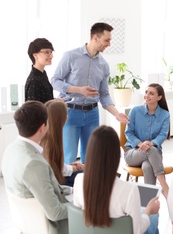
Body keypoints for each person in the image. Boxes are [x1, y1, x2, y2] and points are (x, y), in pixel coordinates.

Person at [51, 22, 129, 164]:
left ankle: (87, 186)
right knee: (70, 158)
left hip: (92, 114)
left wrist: (117, 114)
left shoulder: (104, 65)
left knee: (90, 158)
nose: (109, 44)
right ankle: (71, 186)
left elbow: (104, 94)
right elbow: (55, 80)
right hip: (70, 112)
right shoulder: (70, 56)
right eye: (107, 40)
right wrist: (79, 90)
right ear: (95, 38)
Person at [73, 125, 160, 234]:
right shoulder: (129, 189)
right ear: (115, 156)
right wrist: (149, 210)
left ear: (90, 153)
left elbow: (79, 216)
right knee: (153, 216)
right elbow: (137, 230)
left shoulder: (79, 180)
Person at [1, 101, 69, 234]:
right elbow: (55, 213)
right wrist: (85, 206)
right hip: (54, 227)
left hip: (28, 223)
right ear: (43, 127)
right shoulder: (34, 164)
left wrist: (73, 191)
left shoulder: (10, 149)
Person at [124, 83, 170, 198]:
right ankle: (165, 187)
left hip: (154, 154)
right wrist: (140, 144)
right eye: (146, 92)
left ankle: (149, 203)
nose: (147, 95)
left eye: (151, 93)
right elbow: (128, 132)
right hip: (133, 153)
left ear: (159, 97)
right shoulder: (135, 111)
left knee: (147, 167)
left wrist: (151, 143)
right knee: (150, 150)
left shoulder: (165, 115)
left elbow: (163, 134)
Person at [40, 99, 83, 187]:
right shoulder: (48, 142)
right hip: (54, 182)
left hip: (54, 178)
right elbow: (59, 171)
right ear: (64, 118)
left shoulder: (45, 136)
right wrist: (79, 167)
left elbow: (57, 167)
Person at [25, 38, 55, 103]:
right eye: (47, 52)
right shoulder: (34, 80)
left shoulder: (42, 74)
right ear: (35, 55)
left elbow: (44, 99)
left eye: (51, 52)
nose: (51, 56)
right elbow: (34, 110)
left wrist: (54, 101)